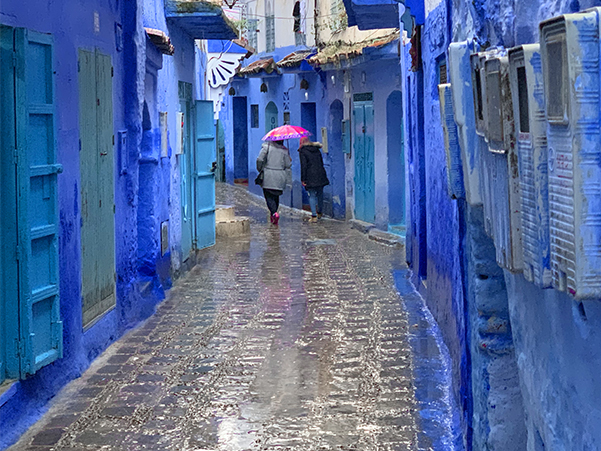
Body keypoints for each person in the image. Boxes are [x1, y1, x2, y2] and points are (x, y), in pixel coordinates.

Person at [256, 140, 292, 225]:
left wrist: (260, 169)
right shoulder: (285, 150)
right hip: (280, 176)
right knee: (276, 195)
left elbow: (260, 159)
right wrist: (288, 181)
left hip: (268, 175)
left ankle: (274, 213)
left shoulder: (267, 147)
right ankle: (274, 214)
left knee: (268, 195)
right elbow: (288, 166)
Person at [299, 136, 329, 223]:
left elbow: (303, 166)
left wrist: (303, 179)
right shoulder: (316, 149)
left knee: (311, 195)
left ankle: (314, 216)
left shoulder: (303, 151)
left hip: (310, 175)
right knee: (320, 194)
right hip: (320, 174)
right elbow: (321, 162)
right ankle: (319, 212)